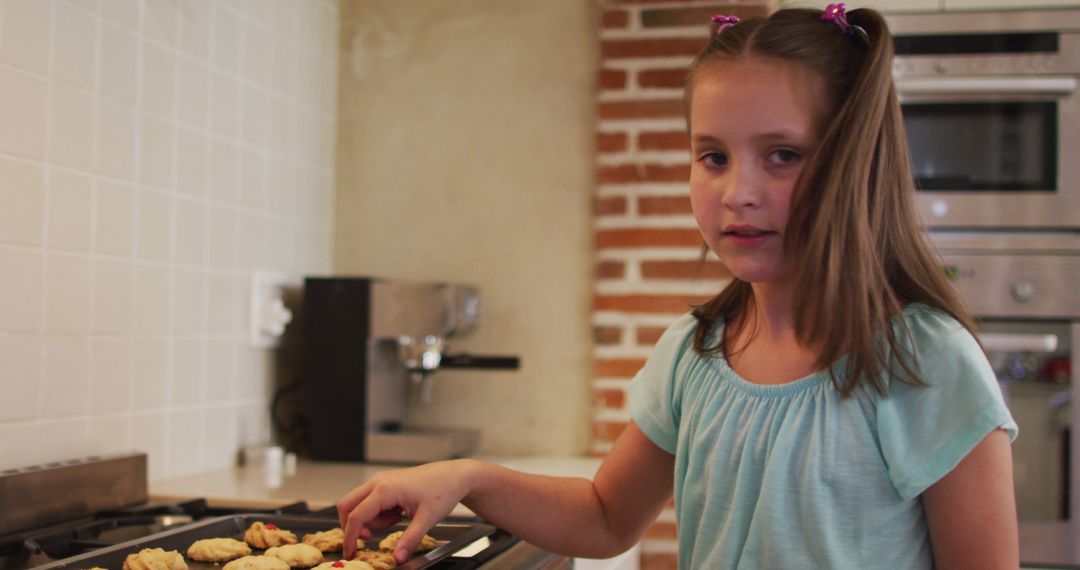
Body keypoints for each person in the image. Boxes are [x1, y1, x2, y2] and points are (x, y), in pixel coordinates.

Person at [336, 5, 1019, 568]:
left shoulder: (924, 364)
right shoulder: (697, 354)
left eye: (782, 155)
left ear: (854, 165)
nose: (738, 193)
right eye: (712, 156)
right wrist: (469, 477)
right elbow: (606, 518)